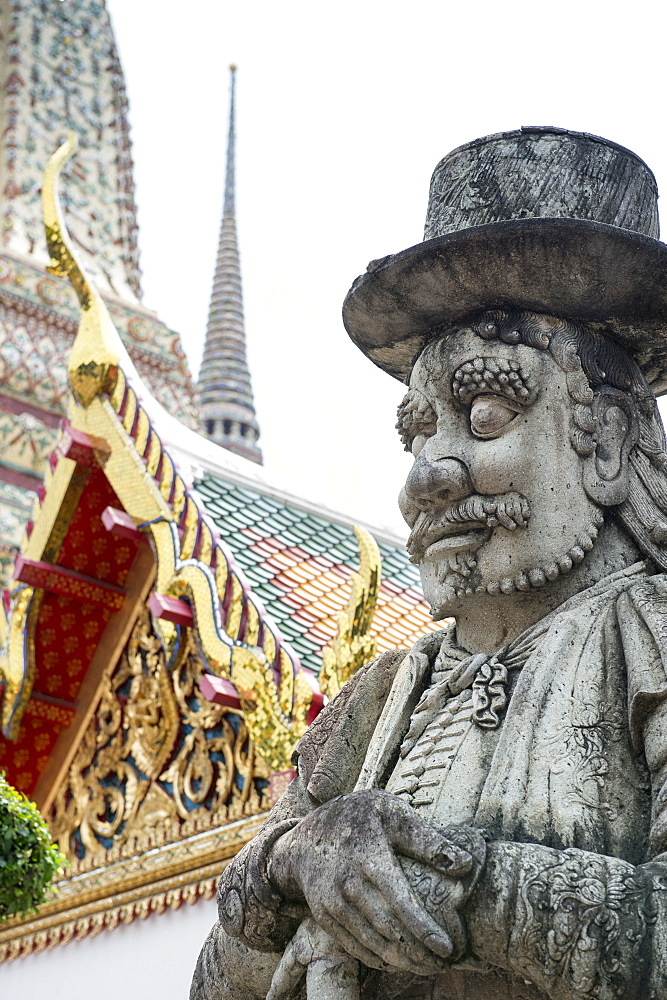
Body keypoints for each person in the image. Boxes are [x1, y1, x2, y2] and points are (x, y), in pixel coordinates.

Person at [191, 128, 667, 1000]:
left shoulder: (650, 640)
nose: (426, 478)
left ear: (607, 442)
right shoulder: (375, 703)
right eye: (417, 431)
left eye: (484, 415)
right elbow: (219, 984)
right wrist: (297, 860)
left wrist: (461, 890)